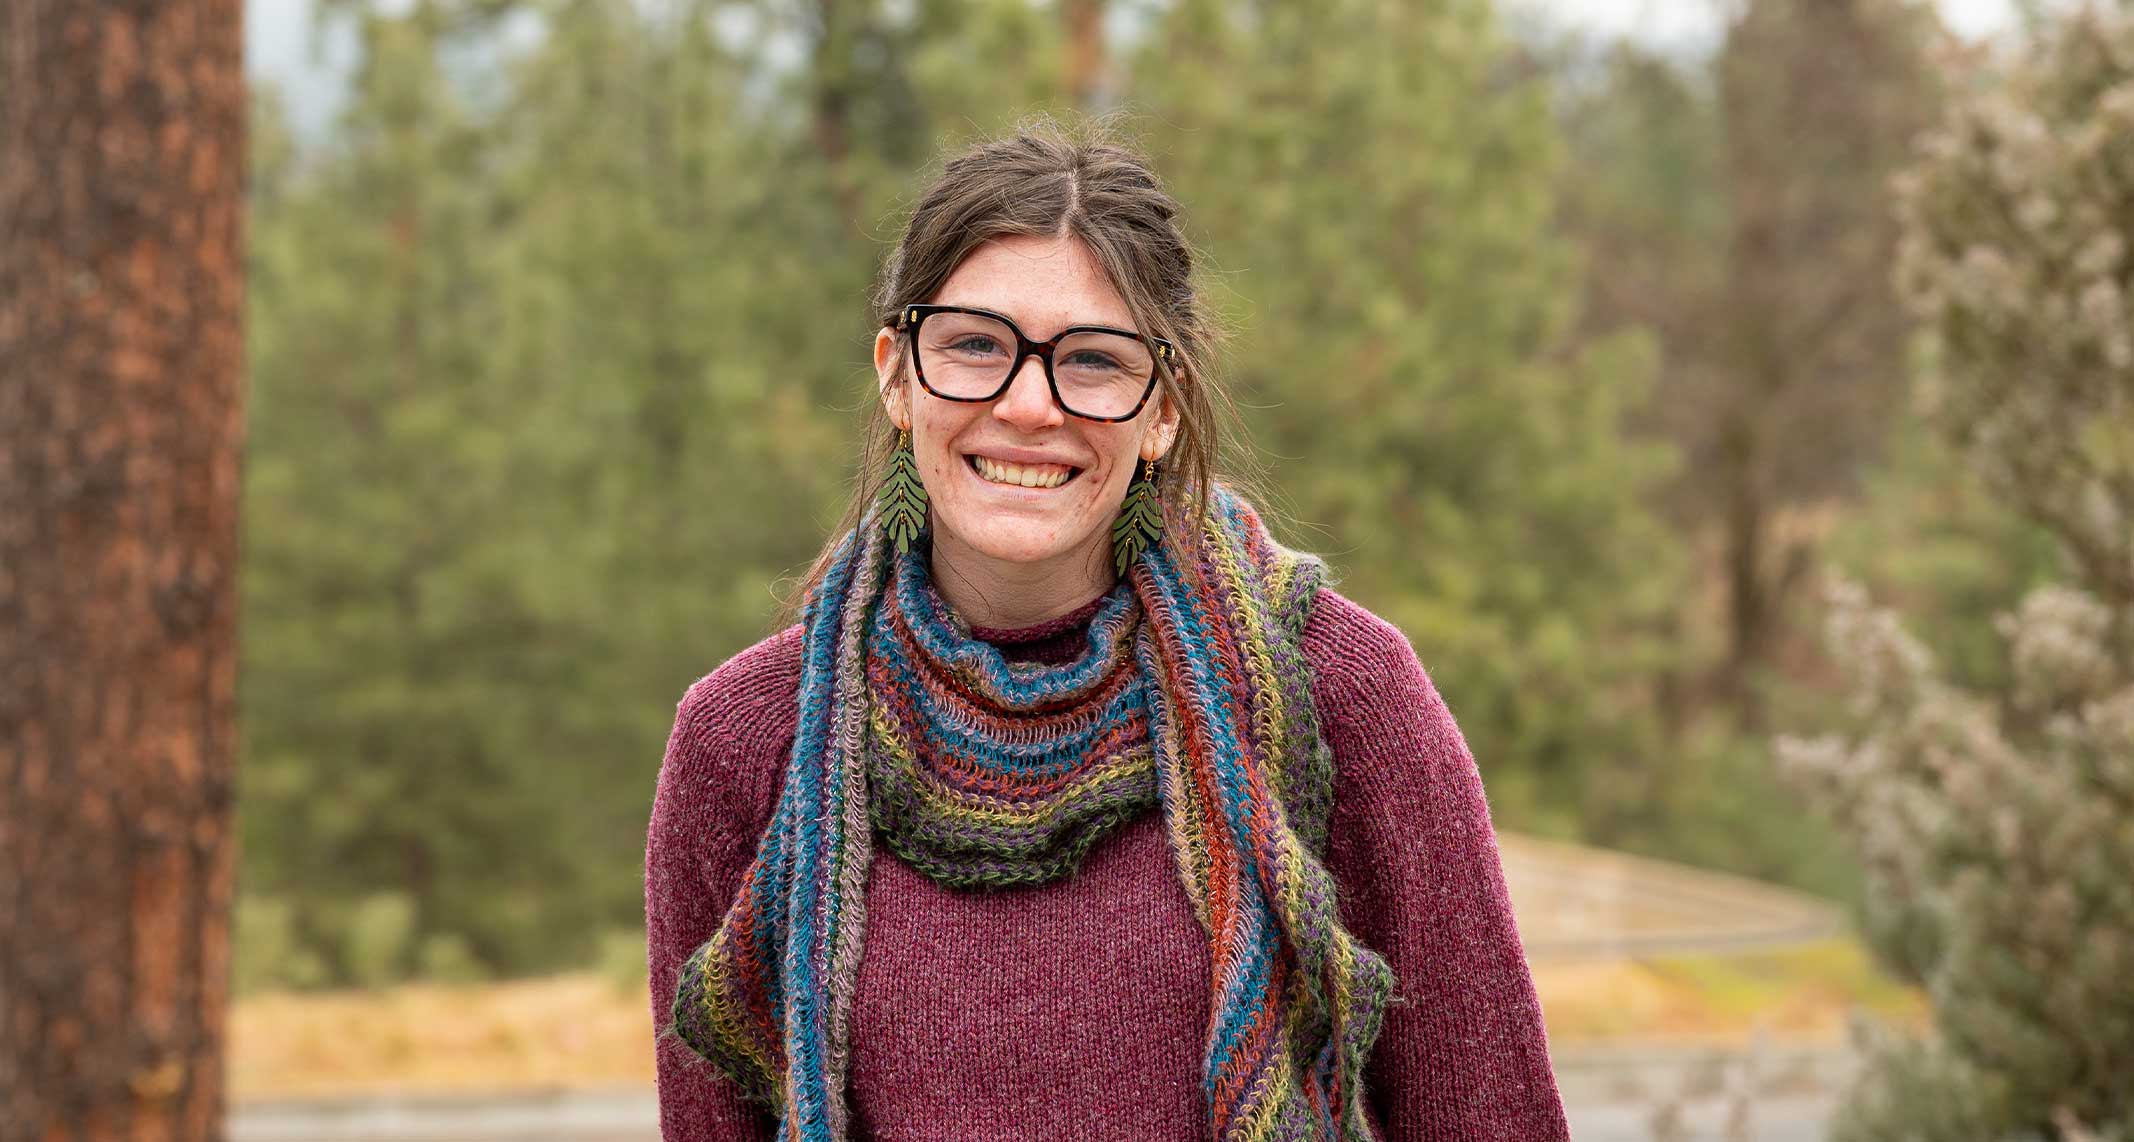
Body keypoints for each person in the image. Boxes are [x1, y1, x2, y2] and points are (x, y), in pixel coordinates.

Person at [643, 120, 1570, 1142]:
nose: (1028, 404)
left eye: (1090, 359)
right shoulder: (745, 740)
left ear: (1162, 406)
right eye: (974, 345)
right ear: (897, 375)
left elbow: (1494, 1114)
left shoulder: (1343, 693)